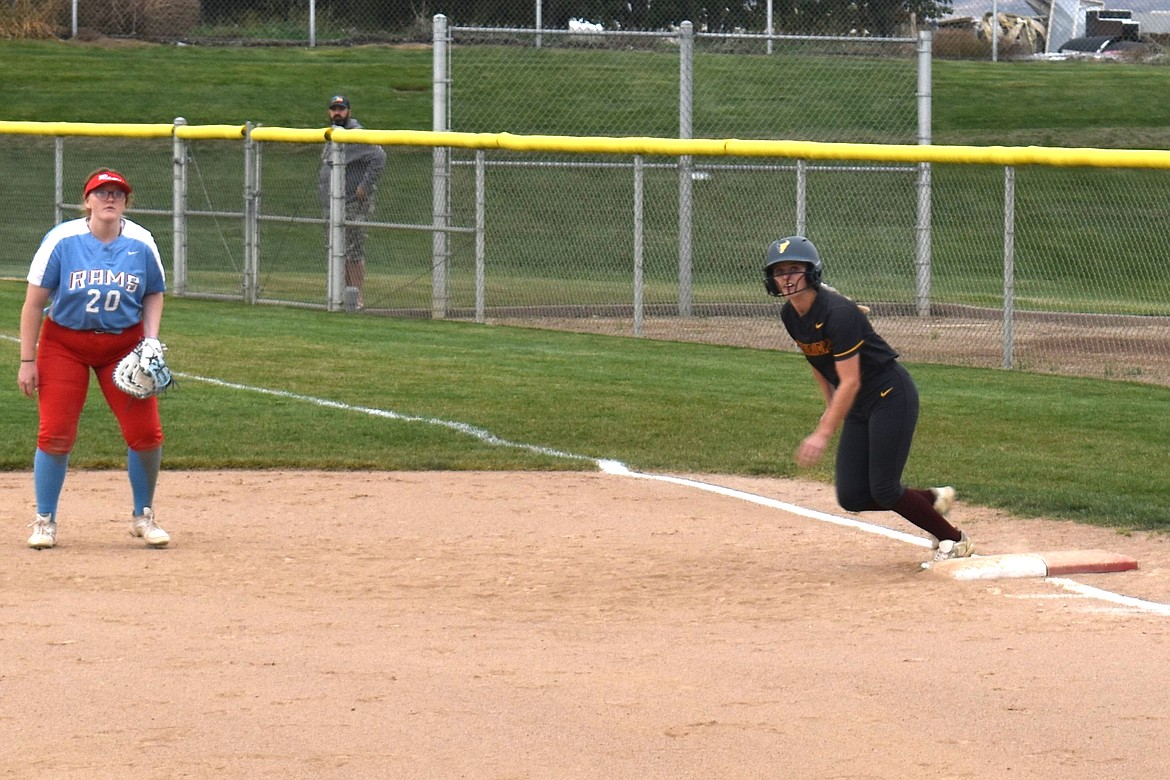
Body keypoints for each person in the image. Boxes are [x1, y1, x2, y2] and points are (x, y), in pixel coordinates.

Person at [763, 235, 973, 562]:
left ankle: (955, 539)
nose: (787, 277)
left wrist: (823, 432)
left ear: (812, 272)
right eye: (779, 271)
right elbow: (819, 364)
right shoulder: (790, 316)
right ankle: (930, 500)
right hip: (859, 406)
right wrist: (830, 408)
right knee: (853, 496)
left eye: (795, 269)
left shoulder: (838, 313)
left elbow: (850, 380)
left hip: (890, 395)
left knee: (885, 488)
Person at [18, 168, 171, 550]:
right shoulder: (62, 240)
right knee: (55, 432)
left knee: (146, 435)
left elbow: (153, 291)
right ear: (86, 201)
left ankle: (143, 516)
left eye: (117, 194)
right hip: (64, 344)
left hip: (124, 345)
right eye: (101, 193)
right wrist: (27, 360)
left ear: (125, 203)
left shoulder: (141, 241)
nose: (109, 199)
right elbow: (34, 303)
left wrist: (151, 339)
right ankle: (45, 520)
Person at [318, 94, 387, 310]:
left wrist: (364, 187)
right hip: (333, 205)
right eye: (333, 109)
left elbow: (379, 156)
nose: (337, 113)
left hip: (352, 205)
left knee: (353, 252)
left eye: (341, 109)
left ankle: (355, 298)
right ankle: (340, 296)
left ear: (349, 111)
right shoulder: (332, 134)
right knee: (336, 249)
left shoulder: (356, 134)